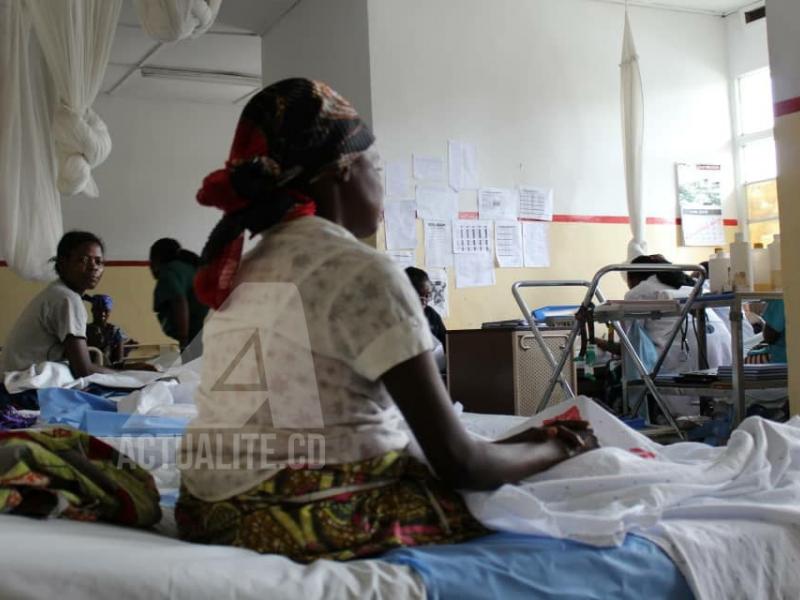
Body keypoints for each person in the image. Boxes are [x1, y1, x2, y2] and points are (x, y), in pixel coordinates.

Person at [175, 78, 597, 563]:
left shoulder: (247, 269)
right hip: (290, 514)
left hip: (207, 508)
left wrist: (524, 442)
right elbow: (460, 464)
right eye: (377, 166)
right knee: (525, 502)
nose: (382, 182)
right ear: (343, 171)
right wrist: (561, 449)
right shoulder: (363, 271)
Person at [1, 231, 114, 377]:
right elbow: (84, 370)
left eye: (99, 262)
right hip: (22, 388)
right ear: (63, 262)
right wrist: (128, 374)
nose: (93, 267)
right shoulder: (66, 299)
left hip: (14, 382)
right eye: (84, 260)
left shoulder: (57, 292)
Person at [149, 238, 208, 361]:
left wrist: (184, 340)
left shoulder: (170, 271)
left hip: (200, 336)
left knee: (194, 373)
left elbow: (179, 302)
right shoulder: (188, 267)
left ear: (157, 258)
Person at [405, 267, 447, 371]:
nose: (425, 300)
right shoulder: (395, 316)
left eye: (427, 295)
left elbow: (447, 345)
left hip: (434, 369)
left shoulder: (431, 315)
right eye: (418, 295)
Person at [85, 294, 136, 367]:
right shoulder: (84, 330)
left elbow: (119, 361)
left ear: (110, 312)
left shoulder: (115, 331)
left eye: (106, 310)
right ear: (92, 310)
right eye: (99, 310)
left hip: (109, 369)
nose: (103, 314)